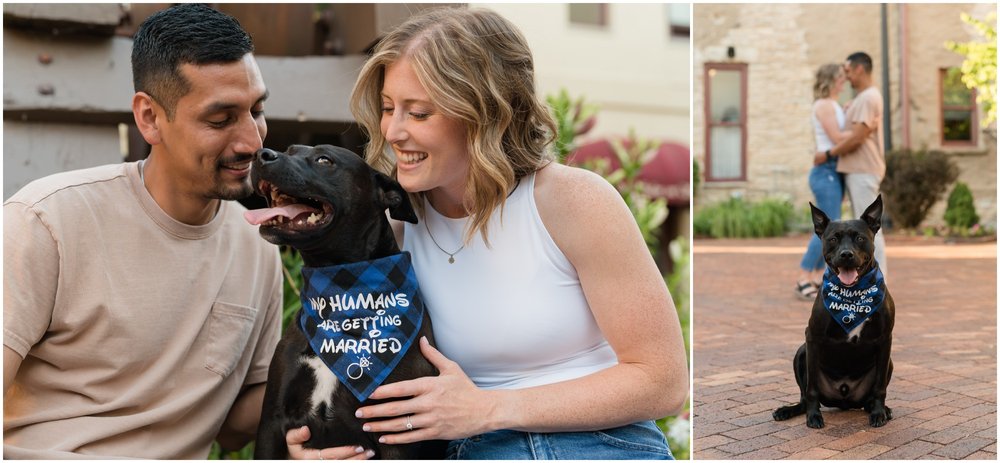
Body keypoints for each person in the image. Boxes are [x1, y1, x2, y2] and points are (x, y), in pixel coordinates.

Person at [289, 7, 688, 460]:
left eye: (418, 113)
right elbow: (345, 372)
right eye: (387, 108)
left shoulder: (572, 202)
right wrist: (311, 446)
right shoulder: (391, 227)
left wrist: (490, 408)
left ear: (485, 114)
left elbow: (663, 381)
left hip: (596, 443)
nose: (393, 131)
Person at [3, 4, 293, 459]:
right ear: (150, 118)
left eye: (256, 110)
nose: (253, 142)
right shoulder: (46, 220)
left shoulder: (256, 244)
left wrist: (333, 354)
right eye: (220, 120)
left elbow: (235, 428)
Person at [816, 51, 888, 277]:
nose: (845, 77)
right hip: (857, 170)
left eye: (847, 71)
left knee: (871, 231)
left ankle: (879, 281)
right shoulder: (862, 99)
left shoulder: (868, 97)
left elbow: (858, 137)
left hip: (863, 169)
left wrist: (828, 154)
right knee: (863, 229)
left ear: (859, 69)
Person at [796, 63, 853, 300]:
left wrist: (848, 112)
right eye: (840, 77)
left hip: (834, 171)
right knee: (826, 231)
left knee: (831, 228)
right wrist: (865, 130)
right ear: (830, 80)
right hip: (825, 171)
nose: (844, 81)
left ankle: (820, 275)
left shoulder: (834, 105)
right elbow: (837, 138)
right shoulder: (824, 105)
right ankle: (802, 277)